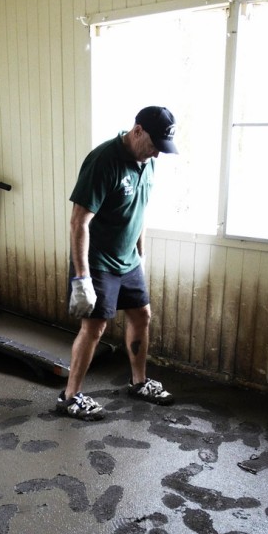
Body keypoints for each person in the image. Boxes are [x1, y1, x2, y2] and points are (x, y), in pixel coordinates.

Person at [56, 106, 178, 420]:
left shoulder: (148, 162)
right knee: (95, 327)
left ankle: (138, 383)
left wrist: (141, 253)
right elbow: (78, 222)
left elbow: (140, 210)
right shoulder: (103, 161)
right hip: (97, 261)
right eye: (153, 145)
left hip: (129, 260)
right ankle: (71, 397)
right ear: (137, 130)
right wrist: (82, 279)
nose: (155, 154)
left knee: (142, 315)